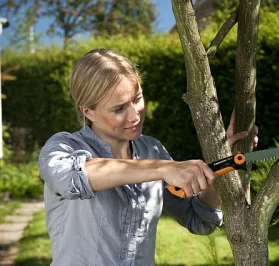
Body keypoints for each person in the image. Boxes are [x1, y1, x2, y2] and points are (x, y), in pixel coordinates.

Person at [38, 49, 256, 265]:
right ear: (88, 112)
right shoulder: (64, 147)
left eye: (137, 98)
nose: (135, 115)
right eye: (119, 108)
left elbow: (198, 219)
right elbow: (71, 178)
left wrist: (224, 163)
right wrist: (160, 168)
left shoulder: (151, 149)